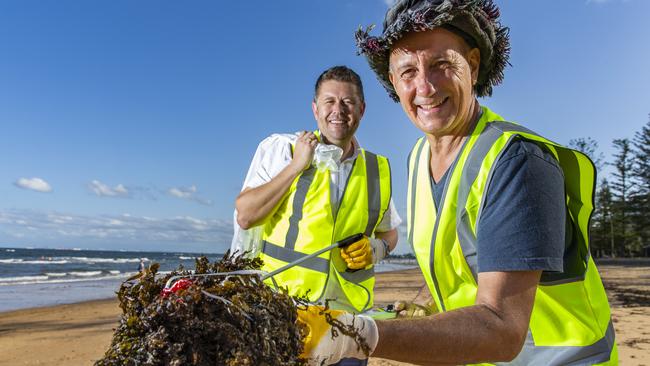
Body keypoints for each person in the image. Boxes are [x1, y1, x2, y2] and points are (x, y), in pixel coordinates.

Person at [298, 1, 617, 365]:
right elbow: (468, 274)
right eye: (407, 72)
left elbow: (501, 328)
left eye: (441, 65)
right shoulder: (418, 158)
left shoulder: (516, 162)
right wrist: (433, 311)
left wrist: (358, 334)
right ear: (392, 82)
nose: (425, 87)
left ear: (474, 65)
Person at [232, 66, 401, 365]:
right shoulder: (282, 149)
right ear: (315, 108)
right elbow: (246, 215)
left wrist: (377, 249)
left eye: (348, 102)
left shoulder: (378, 169)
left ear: (361, 109)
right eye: (329, 101)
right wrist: (297, 165)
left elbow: (390, 232)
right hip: (285, 316)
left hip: (348, 324)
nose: (338, 110)